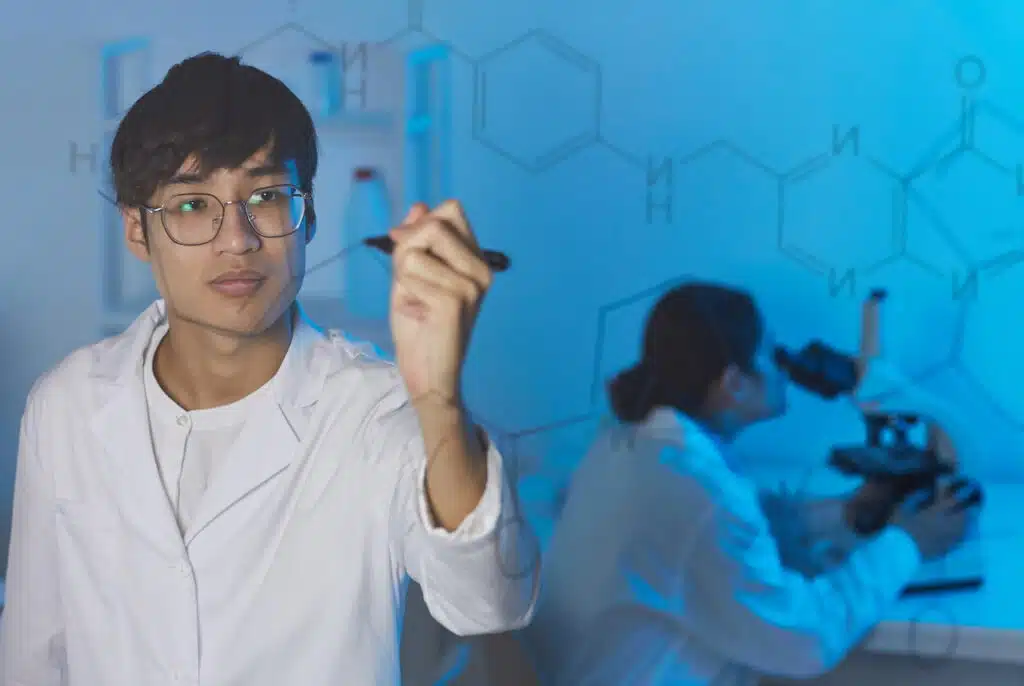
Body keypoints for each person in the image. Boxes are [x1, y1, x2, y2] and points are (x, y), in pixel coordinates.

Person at [0, 52, 538, 685]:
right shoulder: (66, 406)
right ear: (137, 232)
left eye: (268, 197)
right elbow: (34, 657)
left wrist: (438, 394)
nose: (239, 240)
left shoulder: (377, 409)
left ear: (307, 215)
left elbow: (489, 603)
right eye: (193, 205)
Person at [524, 281, 979, 685]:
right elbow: (807, 640)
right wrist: (910, 543)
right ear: (734, 383)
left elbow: (728, 526)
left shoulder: (632, 443)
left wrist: (846, 512)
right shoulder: (695, 490)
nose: (786, 369)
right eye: (772, 354)